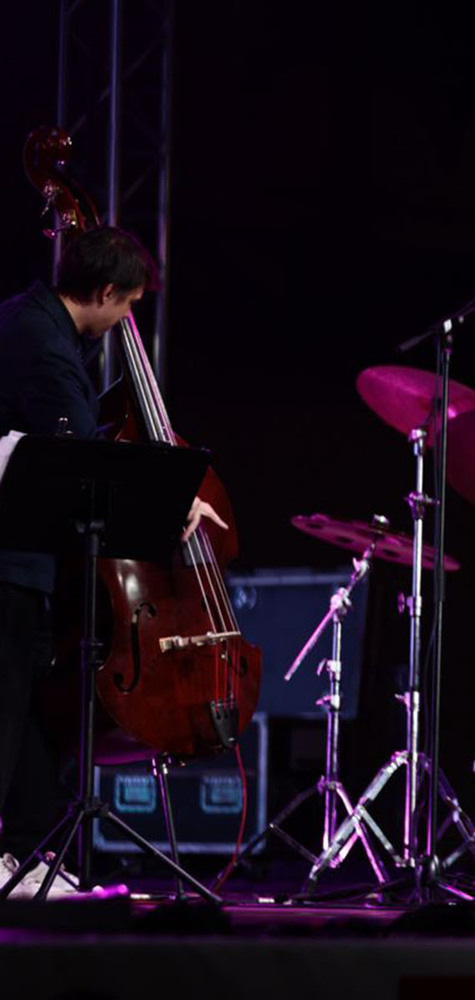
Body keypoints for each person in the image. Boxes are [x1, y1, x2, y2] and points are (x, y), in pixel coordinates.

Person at [0, 225, 223, 891]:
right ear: (102, 291)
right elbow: (81, 457)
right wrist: (173, 501)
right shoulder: (42, 343)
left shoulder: (32, 320)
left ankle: (22, 851)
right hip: (8, 558)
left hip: (25, 557)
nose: (126, 319)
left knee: (26, 710)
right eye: (126, 304)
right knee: (6, 705)